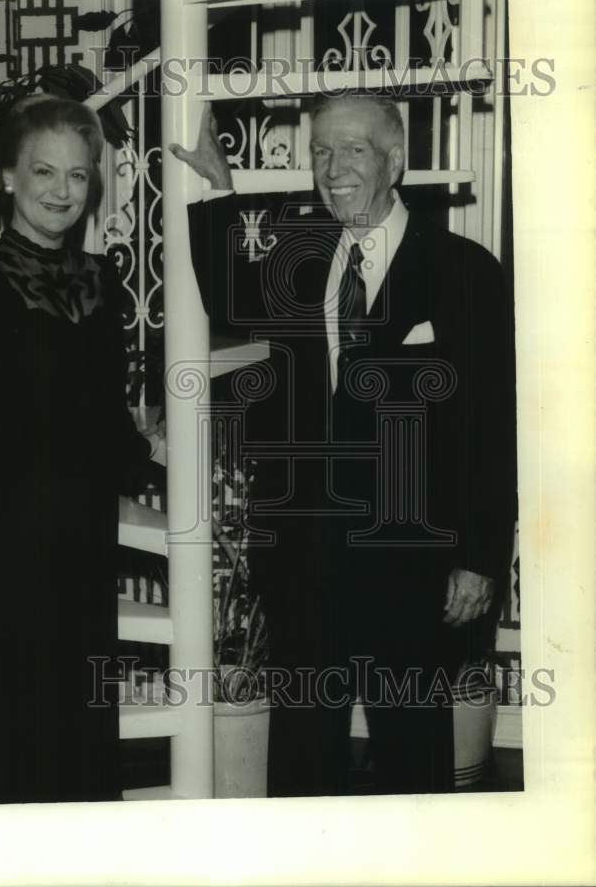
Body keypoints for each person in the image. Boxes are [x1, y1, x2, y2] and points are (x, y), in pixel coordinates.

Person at [173, 95, 516, 795]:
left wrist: (480, 558)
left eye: (353, 149)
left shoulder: (465, 269)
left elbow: (491, 426)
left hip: (414, 556)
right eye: (321, 152)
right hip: (306, 551)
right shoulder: (301, 258)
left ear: (397, 161)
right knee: (302, 750)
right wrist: (218, 189)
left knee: (411, 750)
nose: (333, 168)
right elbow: (229, 294)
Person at [0, 95, 161, 804]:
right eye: (44, 172)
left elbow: (103, 405)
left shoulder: (102, 281)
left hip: (87, 525)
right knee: (16, 712)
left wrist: (139, 453)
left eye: (78, 176)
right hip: (7, 525)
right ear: (7, 180)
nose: (61, 191)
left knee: (86, 707)